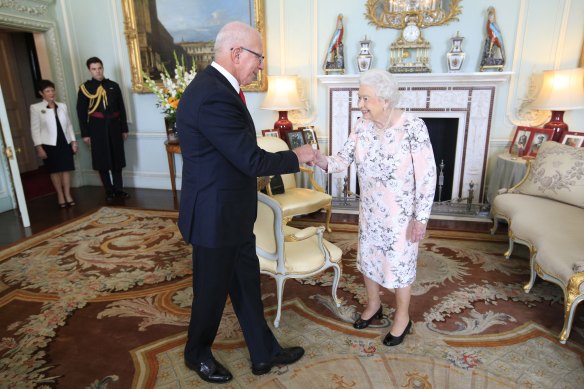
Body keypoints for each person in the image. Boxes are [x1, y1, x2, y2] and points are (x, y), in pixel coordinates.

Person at [176, 21, 316, 384]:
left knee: (246, 286)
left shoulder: (222, 87)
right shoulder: (212, 94)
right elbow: (250, 160)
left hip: (232, 214)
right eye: (259, 57)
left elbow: (237, 154)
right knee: (210, 293)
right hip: (213, 217)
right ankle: (197, 354)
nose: (261, 65)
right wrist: (296, 155)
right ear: (236, 53)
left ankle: (263, 352)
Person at [314, 69, 437, 347]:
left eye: (365, 98)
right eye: (360, 98)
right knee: (369, 260)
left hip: (401, 216)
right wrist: (319, 158)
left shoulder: (413, 127)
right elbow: (340, 161)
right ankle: (373, 305)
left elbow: (428, 176)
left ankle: (402, 317)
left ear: (385, 99)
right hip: (370, 211)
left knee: (400, 266)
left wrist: (421, 218)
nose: (361, 105)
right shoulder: (361, 126)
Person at [76, 57, 130, 201]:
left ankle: (119, 189)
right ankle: (109, 190)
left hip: (114, 125)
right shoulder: (85, 88)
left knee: (117, 158)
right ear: (89, 70)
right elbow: (81, 112)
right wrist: (85, 133)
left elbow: (122, 108)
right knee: (102, 159)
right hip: (97, 127)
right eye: (94, 69)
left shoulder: (113, 85)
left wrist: (124, 128)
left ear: (103, 68)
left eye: (99, 68)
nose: (97, 71)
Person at [30, 79, 78, 208]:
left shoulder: (62, 106)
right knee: (55, 171)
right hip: (49, 144)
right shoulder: (36, 108)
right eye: (47, 91)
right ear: (41, 93)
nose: (51, 93)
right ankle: (60, 195)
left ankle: (68, 194)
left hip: (64, 141)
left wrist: (73, 141)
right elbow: (35, 129)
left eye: (52, 90)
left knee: (66, 169)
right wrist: (39, 147)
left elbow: (69, 125)